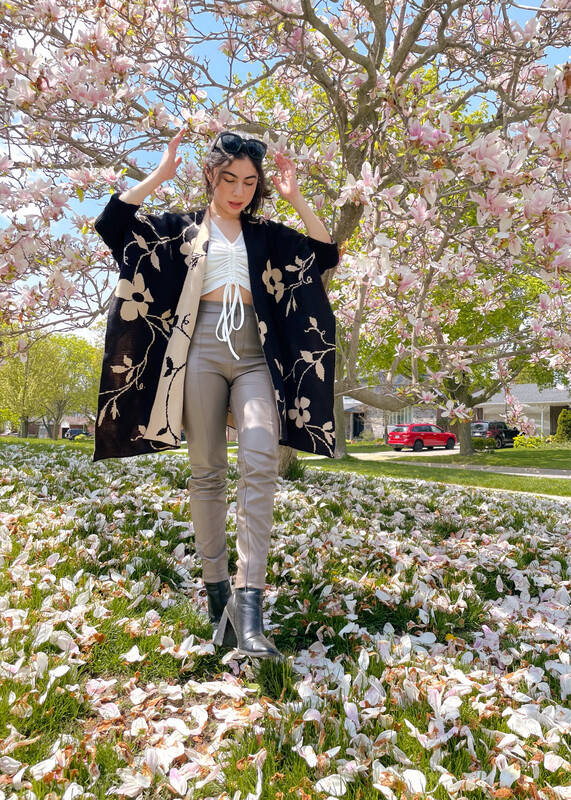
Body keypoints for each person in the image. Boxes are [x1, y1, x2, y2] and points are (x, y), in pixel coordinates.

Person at [94, 128, 339, 659]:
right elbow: (112, 226)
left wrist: (298, 199)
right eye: (229, 178)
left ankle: (250, 611)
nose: (239, 190)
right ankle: (217, 599)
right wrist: (157, 175)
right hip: (197, 347)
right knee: (206, 470)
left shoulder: (270, 235)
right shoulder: (178, 228)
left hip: (254, 351)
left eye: (250, 181)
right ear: (210, 174)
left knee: (259, 457)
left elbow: (323, 255)